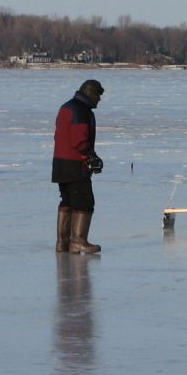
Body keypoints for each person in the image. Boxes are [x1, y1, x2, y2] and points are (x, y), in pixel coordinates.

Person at [52, 80, 105, 254]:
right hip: (75, 165)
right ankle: (78, 241)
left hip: (60, 164)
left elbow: (58, 135)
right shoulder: (81, 111)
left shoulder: (66, 107)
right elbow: (79, 140)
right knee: (84, 202)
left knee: (68, 202)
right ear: (90, 94)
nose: (99, 100)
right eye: (98, 95)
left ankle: (62, 243)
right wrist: (90, 156)